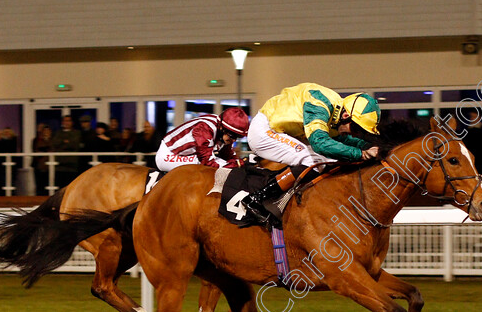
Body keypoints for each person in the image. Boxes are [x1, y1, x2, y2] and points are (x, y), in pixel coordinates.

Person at [242, 83, 380, 220]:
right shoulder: (320, 105)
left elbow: (346, 141)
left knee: (328, 159)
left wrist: (375, 147)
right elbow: (319, 143)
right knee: (314, 160)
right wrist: (361, 154)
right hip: (265, 130)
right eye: (356, 129)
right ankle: (257, 198)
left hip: (282, 131)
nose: (355, 135)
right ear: (345, 115)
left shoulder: (336, 114)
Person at [155, 108, 249, 172]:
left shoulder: (222, 130)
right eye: (232, 136)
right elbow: (207, 163)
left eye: (237, 137)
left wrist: (242, 163)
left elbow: (227, 155)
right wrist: (237, 164)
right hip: (168, 154)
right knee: (202, 164)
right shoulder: (205, 129)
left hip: (186, 154)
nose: (234, 140)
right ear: (222, 128)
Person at [51, 115, 81, 188]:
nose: (66, 123)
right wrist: (65, 142)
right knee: (59, 187)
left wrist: (63, 143)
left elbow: (74, 145)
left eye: (68, 121)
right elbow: (54, 144)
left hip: (72, 165)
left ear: (72, 122)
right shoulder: (57, 133)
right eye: (65, 121)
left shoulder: (76, 133)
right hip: (60, 165)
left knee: (71, 187)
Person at [462, 109, 482, 177]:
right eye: (471, 117)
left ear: (478, 118)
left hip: (479, 157)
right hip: (469, 157)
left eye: (474, 117)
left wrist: (480, 148)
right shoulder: (467, 129)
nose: (472, 119)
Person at [32, 124, 52, 196]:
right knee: (40, 185)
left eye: (48, 131)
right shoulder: (37, 140)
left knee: (50, 184)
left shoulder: (53, 140)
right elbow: (37, 150)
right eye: (45, 131)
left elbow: (52, 149)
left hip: (50, 166)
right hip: (40, 166)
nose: (46, 133)